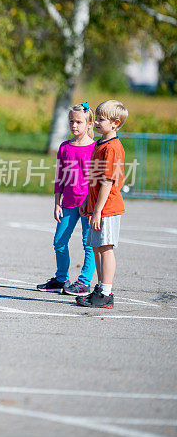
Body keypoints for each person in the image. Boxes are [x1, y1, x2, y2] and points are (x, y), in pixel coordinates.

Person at [36, 102, 96, 296]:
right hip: (68, 203)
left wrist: (91, 205)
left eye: (79, 122)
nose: (74, 126)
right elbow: (60, 177)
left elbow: (97, 179)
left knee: (89, 243)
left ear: (88, 124)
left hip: (88, 204)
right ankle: (62, 279)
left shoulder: (96, 148)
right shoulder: (64, 147)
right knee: (59, 242)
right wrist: (56, 203)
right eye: (72, 121)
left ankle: (84, 282)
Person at [76, 99, 128, 308]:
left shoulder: (113, 147)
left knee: (106, 249)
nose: (96, 122)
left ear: (115, 123)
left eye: (101, 119)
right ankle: (99, 288)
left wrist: (97, 211)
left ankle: (106, 292)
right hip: (97, 206)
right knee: (97, 247)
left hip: (108, 207)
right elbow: (95, 180)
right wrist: (88, 202)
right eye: (96, 118)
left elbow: (107, 181)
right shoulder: (100, 144)